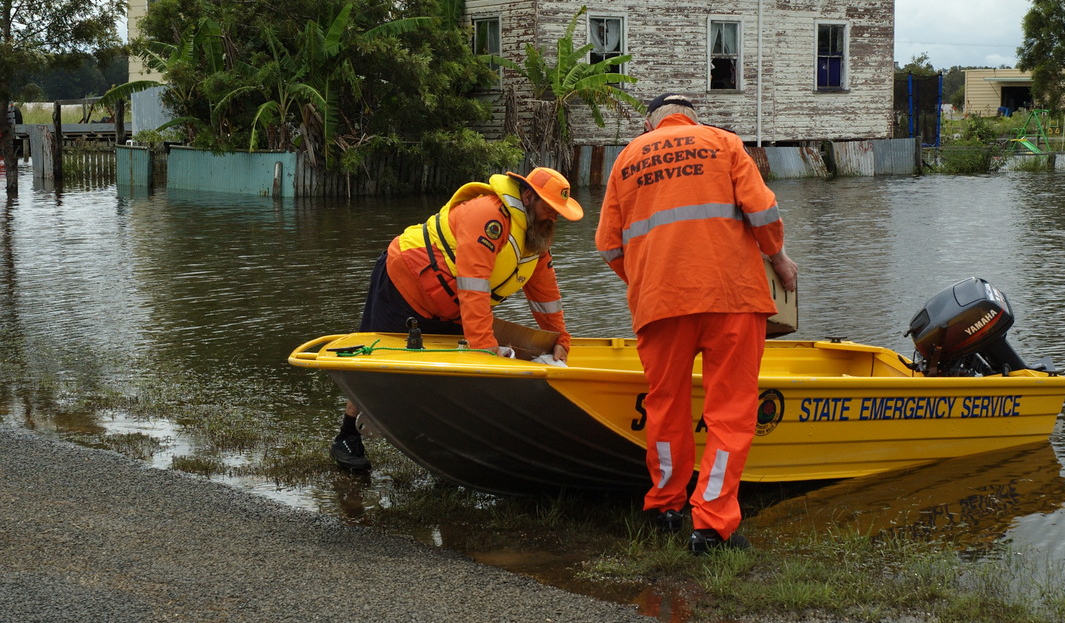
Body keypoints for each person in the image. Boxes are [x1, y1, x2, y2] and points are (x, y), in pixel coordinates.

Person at [595, 94, 798, 555]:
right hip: (731, 298)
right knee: (730, 412)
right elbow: (763, 211)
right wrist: (780, 261)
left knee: (665, 406)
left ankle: (666, 506)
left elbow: (608, 245)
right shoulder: (722, 143)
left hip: (659, 304)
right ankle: (710, 522)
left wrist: (646, 280)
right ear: (692, 116)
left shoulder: (626, 159)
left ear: (651, 124)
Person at [329, 167, 585, 471]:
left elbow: (547, 299)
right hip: (404, 282)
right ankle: (347, 437)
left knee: (447, 380)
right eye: (549, 209)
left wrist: (562, 342)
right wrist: (485, 349)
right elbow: (472, 283)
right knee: (376, 360)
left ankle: (443, 452)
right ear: (528, 197)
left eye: (558, 213)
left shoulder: (535, 242)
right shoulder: (488, 216)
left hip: (451, 305)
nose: (553, 218)